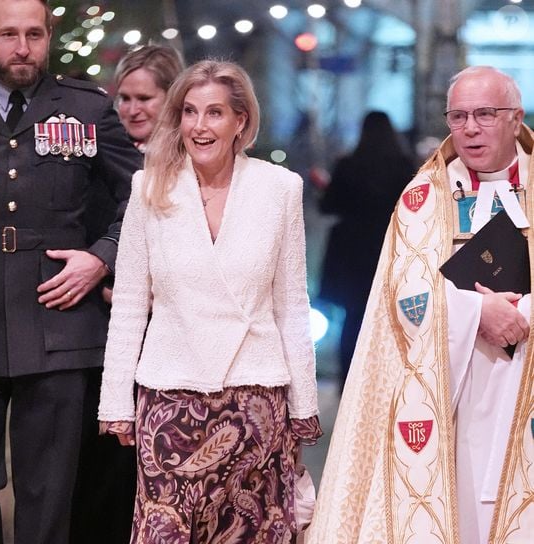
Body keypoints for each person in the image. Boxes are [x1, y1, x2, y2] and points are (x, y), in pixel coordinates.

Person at [98, 59, 322, 543]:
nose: (200, 126)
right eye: (190, 112)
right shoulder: (150, 186)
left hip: (256, 402)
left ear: (240, 121)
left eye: (215, 113)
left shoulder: (280, 189)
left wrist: (303, 404)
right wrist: (115, 401)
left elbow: (291, 304)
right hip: (170, 401)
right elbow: (132, 302)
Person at [308, 66, 533, 543]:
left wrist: (521, 314)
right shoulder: (422, 197)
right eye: (458, 115)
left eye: (485, 114)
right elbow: (404, 292)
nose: (470, 128)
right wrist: (477, 313)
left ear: (516, 118)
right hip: (447, 392)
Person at [0, 1, 142, 543]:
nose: (22, 47)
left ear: (48, 37)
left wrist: (103, 254)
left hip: (59, 315)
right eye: (8, 34)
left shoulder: (87, 109)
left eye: (34, 34)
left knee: (48, 493)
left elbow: (142, 197)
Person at [70, 44, 184, 544]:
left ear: (172, 99)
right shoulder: (93, 168)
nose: (133, 109)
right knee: (100, 471)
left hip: (170, 343)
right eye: (124, 99)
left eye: (146, 98)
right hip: (101, 339)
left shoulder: (191, 168)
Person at [319, 111, 415, 385]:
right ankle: (389, 381)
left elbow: (328, 206)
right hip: (390, 248)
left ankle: (349, 381)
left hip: (351, 253)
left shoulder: (348, 165)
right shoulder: (404, 165)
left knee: (353, 320)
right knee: (390, 319)